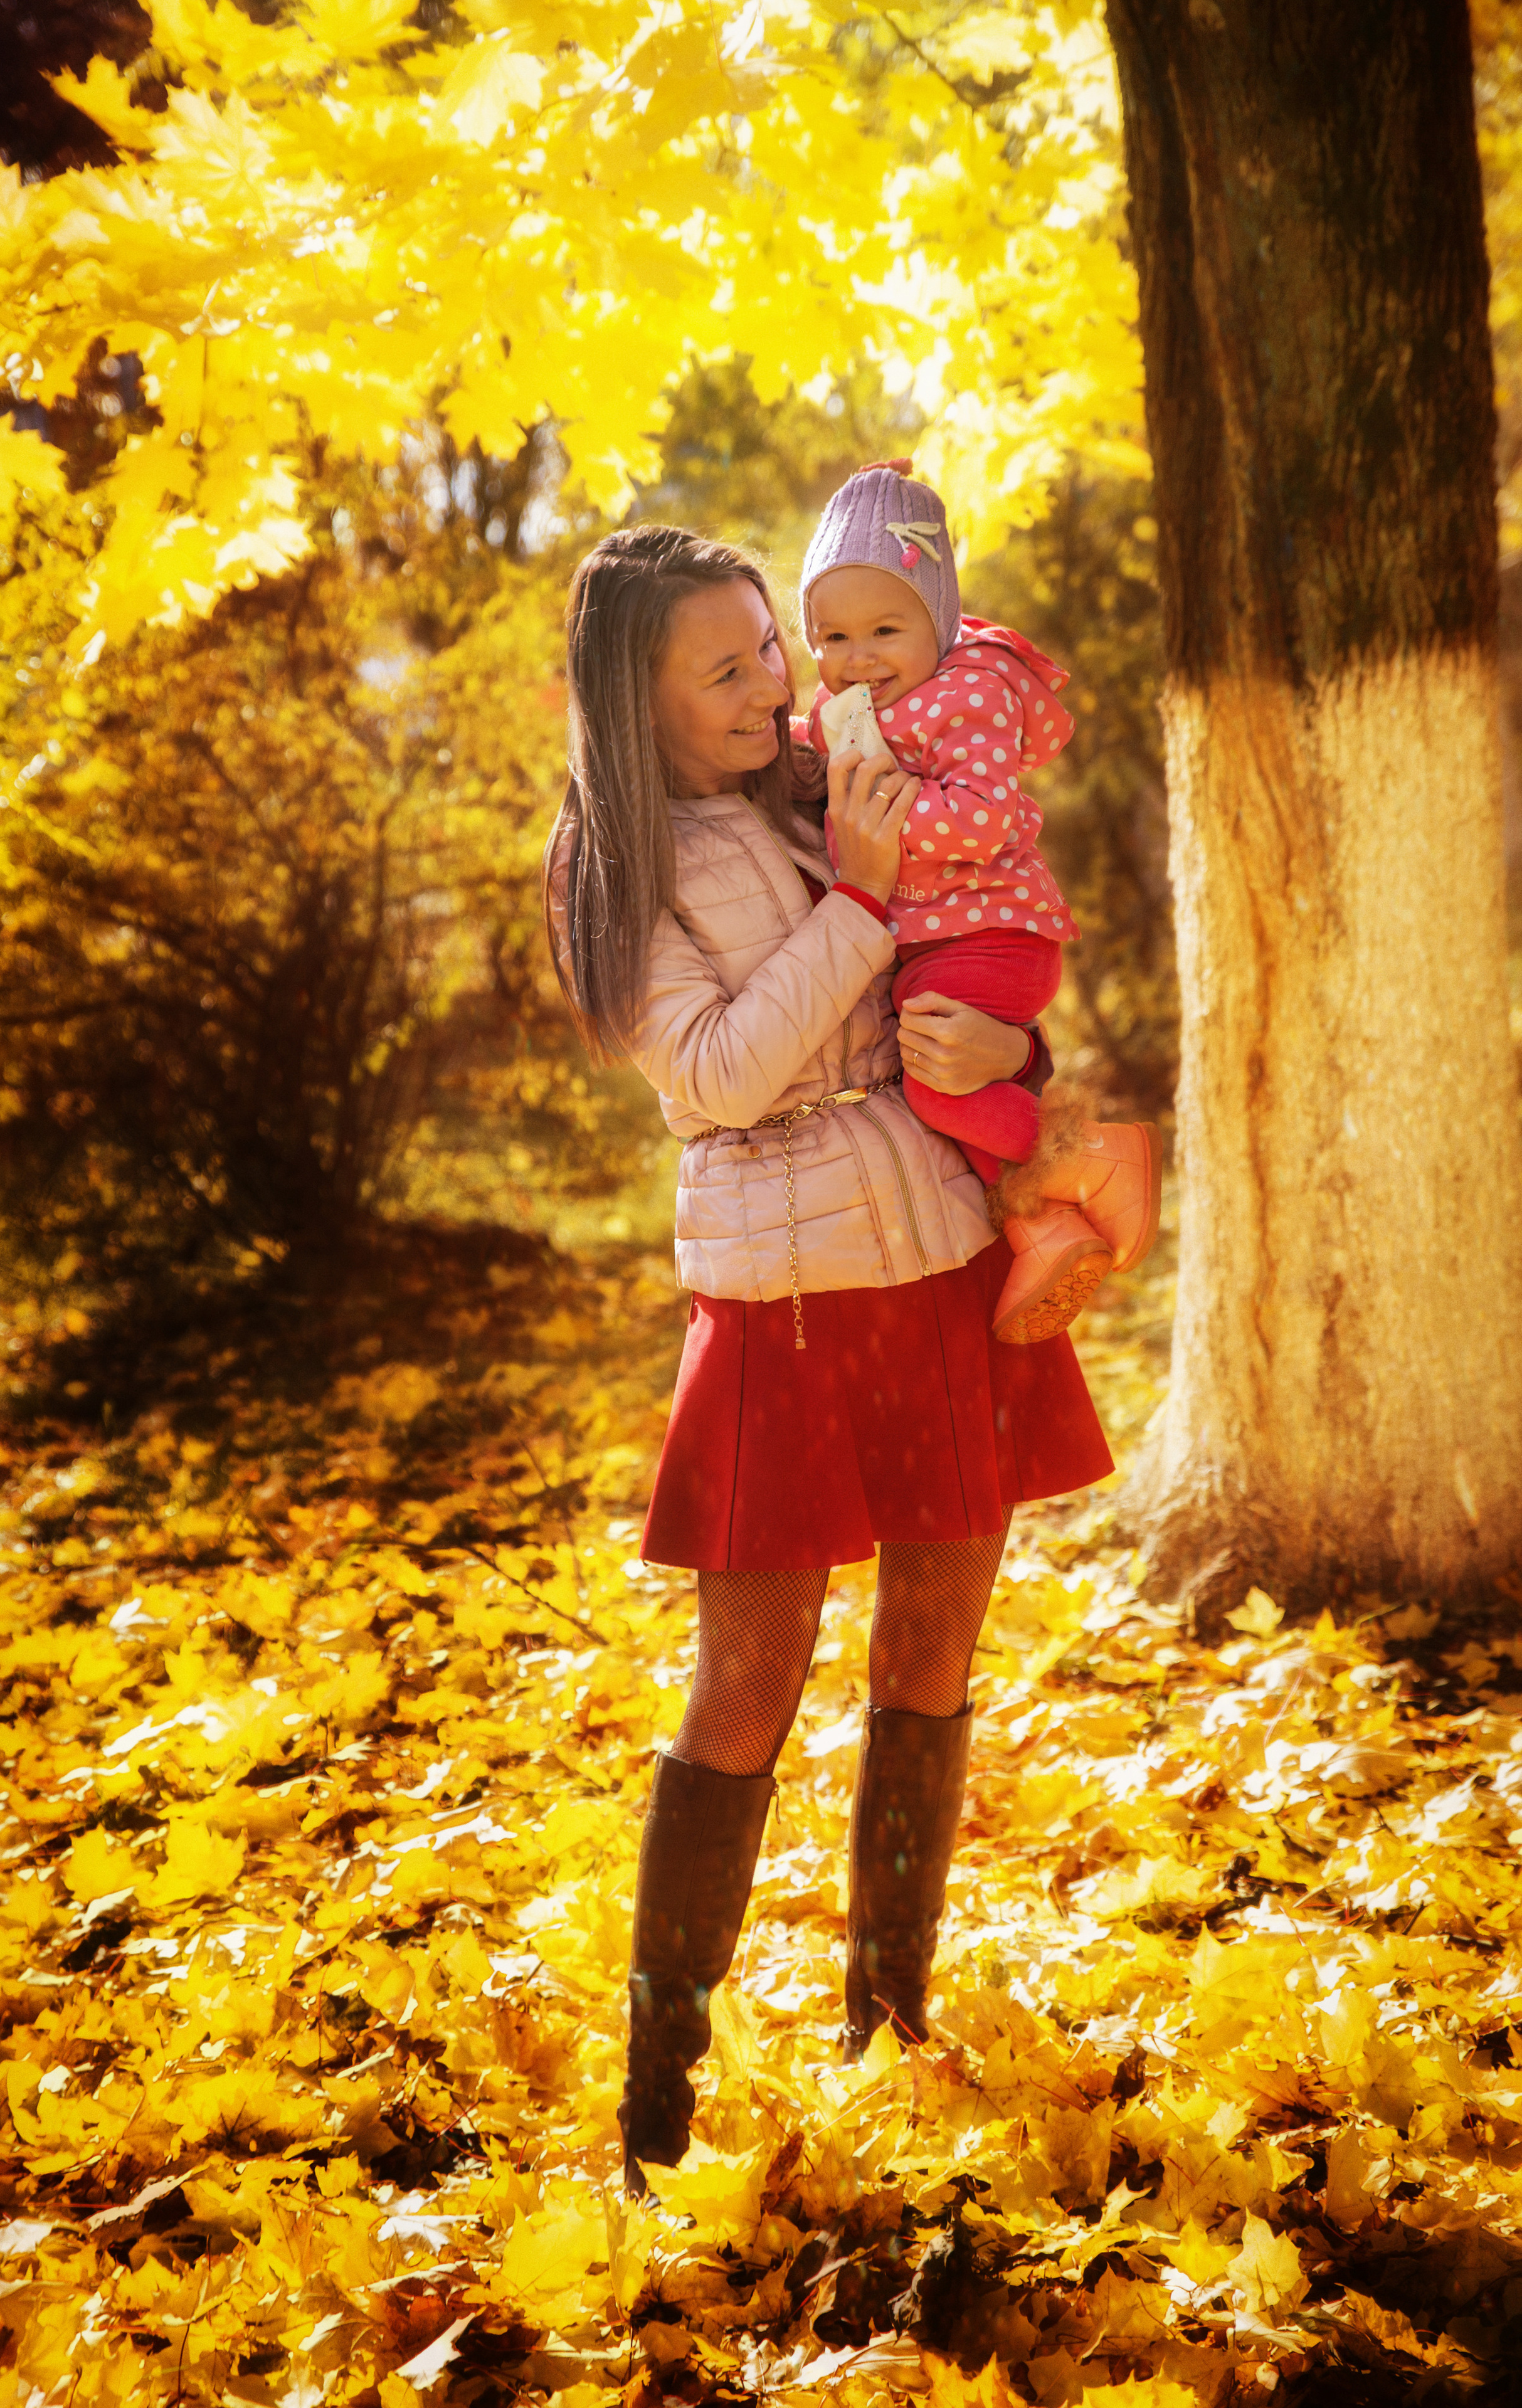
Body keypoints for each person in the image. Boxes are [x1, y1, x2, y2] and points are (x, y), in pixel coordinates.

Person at [544, 523, 1114, 2199]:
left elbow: (973, 943)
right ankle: (658, 2108)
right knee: (748, 1680)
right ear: (635, 701)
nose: (771, 687)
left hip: (939, 1258)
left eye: (768, 650)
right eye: (722, 669)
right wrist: (858, 898)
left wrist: (1010, 1043)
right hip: (781, 1293)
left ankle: (889, 2029)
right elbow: (718, 1074)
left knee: (933, 1645)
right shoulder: (614, 862)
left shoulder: (840, 775)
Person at [798, 460, 1163, 1343]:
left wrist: (885, 814)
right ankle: (1047, 1229)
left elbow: (984, 818)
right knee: (944, 1088)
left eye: (885, 630)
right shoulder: (844, 710)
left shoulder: (968, 695)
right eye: (833, 636)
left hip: (993, 933)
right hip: (938, 946)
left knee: (937, 1090)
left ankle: (1100, 1159)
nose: (858, 658)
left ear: (938, 623)